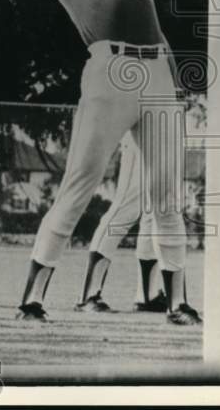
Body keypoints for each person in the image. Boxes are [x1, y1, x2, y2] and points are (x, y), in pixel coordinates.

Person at [0, 0, 201, 326]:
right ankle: (32, 299)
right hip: (109, 72)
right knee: (79, 186)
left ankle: (178, 302)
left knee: (167, 194)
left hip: (157, 75)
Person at [75, 131, 167, 313]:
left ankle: (147, 297)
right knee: (125, 209)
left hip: (166, 133)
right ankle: (88, 295)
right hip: (141, 131)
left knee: (156, 213)